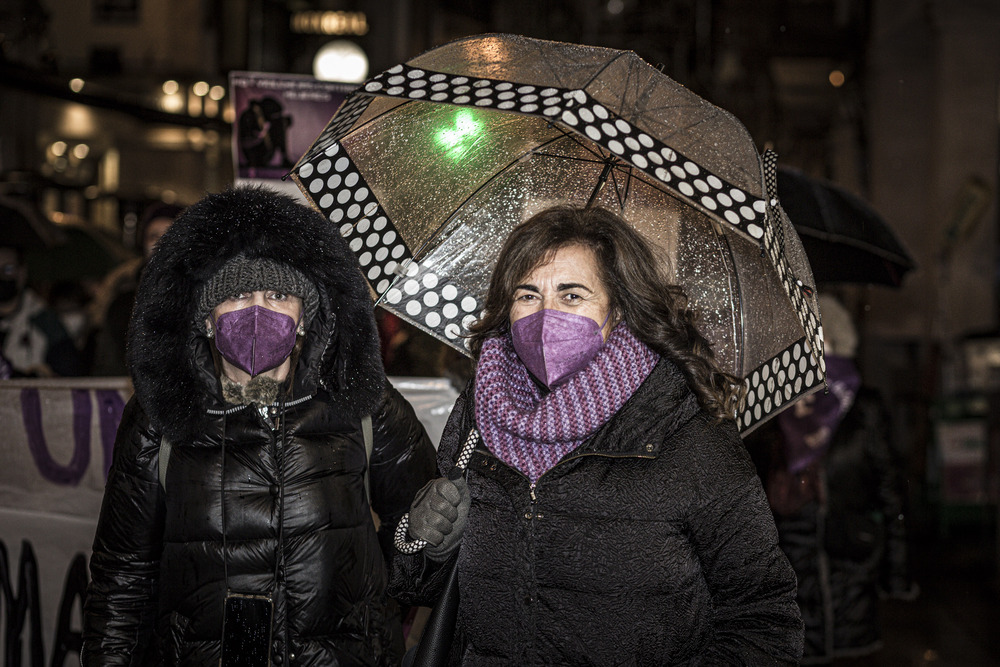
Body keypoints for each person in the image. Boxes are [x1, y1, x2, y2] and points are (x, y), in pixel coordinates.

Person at [390, 205, 804, 665]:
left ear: (620, 309)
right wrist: (426, 544)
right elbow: (428, 592)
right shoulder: (481, 415)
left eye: (572, 296)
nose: (545, 316)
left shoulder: (686, 433)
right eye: (527, 294)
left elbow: (765, 621)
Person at [82, 186, 437, 665]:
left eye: (278, 294)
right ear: (207, 316)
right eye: (235, 295)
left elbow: (414, 541)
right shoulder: (161, 416)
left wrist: (407, 557)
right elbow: (122, 577)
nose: (257, 311)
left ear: (305, 315)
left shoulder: (361, 401)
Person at [746, 294, 916, 665]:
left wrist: (896, 574)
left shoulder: (863, 407)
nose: (809, 348)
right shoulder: (767, 405)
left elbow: (890, 492)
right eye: (799, 339)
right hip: (791, 577)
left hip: (851, 573)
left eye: (819, 337)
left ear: (837, 342)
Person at [89, 201, 183, 375]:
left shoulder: (205, 299)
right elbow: (107, 368)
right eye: (153, 236)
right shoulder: (123, 303)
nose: (160, 244)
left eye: (169, 235)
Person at [0, 243, 84, 376]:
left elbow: (69, 375)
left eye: (8, 269)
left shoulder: (45, 322)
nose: (2, 276)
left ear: (22, 273)